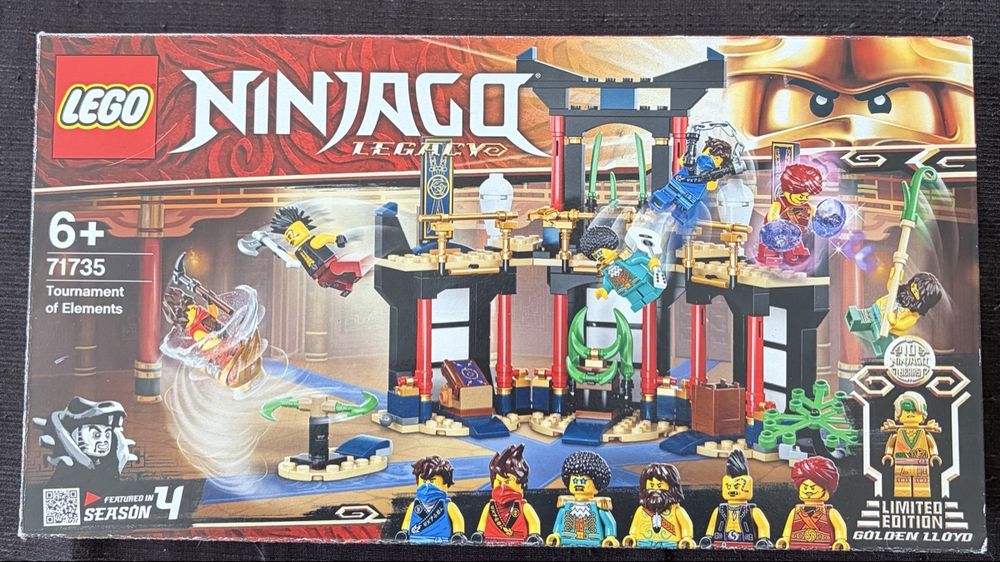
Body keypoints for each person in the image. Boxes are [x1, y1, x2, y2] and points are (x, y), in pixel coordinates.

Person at [472, 444, 542, 544]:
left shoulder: (524, 508)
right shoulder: (489, 507)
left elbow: (534, 522)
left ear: (521, 484)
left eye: (508, 482)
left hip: (518, 543)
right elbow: (483, 523)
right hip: (492, 542)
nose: (503, 487)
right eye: (499, 482)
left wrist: (534, 535)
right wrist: (480, 533)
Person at [775, 456, 849, 550]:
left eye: (813, 488)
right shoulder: (795, 512)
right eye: (805, 487)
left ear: (826, 489)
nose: (808, 491)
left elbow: (839, 527)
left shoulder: (830, 512)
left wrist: (840, 540)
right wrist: (785, 539)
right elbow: (789, 528)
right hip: (798, 547)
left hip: (825, 548)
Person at [623, 463, 695, 548]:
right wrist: (632, 536)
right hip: (644, 542)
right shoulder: (641, 511)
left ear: (672, 488)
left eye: (660, 486)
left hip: (669, 543)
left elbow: (686, 525)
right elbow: (635, 525)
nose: (655, 490)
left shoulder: (676, 511)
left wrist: (687, 537)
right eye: (651, 486)